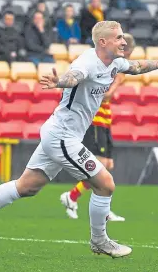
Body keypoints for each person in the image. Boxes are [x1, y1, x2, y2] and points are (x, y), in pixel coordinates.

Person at [0, 21, 158, 258]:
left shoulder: (114, 62)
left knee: (27, 186)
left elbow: (136, 66)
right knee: (106, 185)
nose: (124, 42)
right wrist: (58, 82)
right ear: (103, 42)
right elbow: (74, 76)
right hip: (62, 136)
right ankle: (99, 241)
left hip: (59, 133)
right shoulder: (87, 62)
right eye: (119, 38)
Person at [59, 33, 136, 221]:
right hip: (95, 119)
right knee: (100, 165)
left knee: (107, 164)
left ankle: (82, 200)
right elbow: (106, 95)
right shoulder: (106, 66)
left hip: (105, 119)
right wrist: (119, 81)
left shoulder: (115, 66)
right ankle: (73, 197)